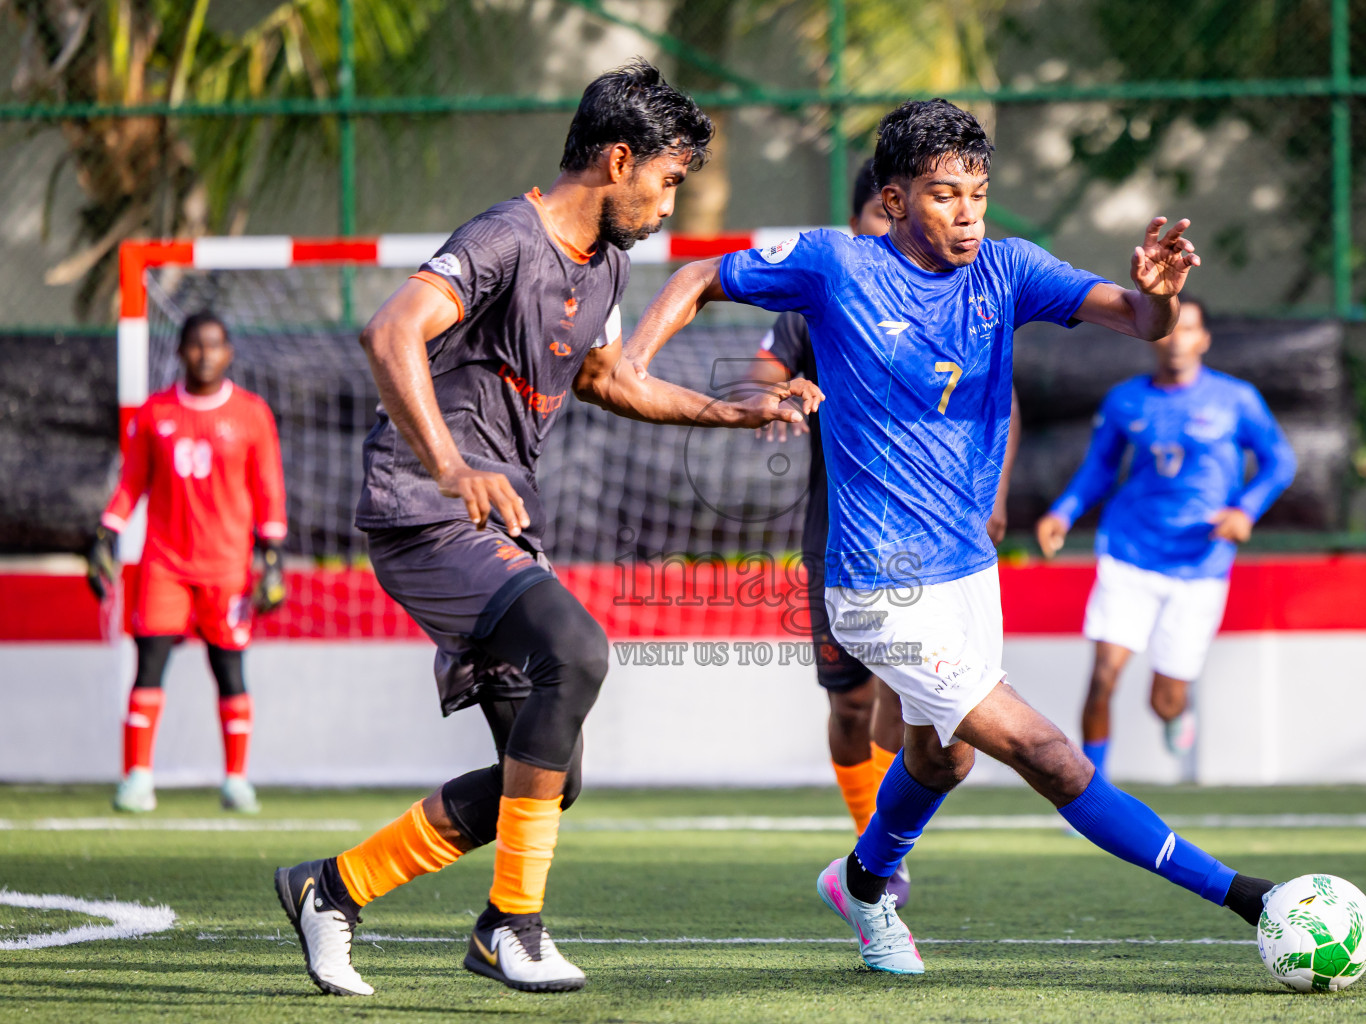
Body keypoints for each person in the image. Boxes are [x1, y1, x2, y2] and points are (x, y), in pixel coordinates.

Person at [624, 98, 1282, 977]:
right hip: (878, 585)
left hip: (969, 574)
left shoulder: (1008, 270)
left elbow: (1135, 317)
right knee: (1047, 753)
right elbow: (699, 277)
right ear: (894, 201)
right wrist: (630, 365)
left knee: (941, 760)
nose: (967, 211)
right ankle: (1254, 900)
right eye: (943, 194)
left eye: (977, 191)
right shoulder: (836, 265)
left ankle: (861, 884)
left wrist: (1160, 301)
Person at [271, 60, 818, 998]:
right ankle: (508, 927)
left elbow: (614, 382)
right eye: (666, 179)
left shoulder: (604, 264)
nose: (668, 202)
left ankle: (335, 888)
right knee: (579, 649)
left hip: (490, 525)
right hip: (422, 509)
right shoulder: (503, 239)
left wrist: (735, 413)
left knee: (548, 774)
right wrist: (450, 463)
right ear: (617, 158)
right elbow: (391, 330)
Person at [749, 158, 1020, 907]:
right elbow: (762, 369)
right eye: (871, 215)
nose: (881, 229)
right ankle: (872, 843)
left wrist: (991, 493)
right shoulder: (825, 290)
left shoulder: (961, 290)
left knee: (914, 708)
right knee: (847, 700)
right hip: (840, 531)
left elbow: (1001, 395)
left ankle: (879, 859)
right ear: (873, 212)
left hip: (937, 538)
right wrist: (776, 397)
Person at [1037, 298, 1295, 774]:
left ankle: (1178, 710)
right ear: (1155, 336)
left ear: (1203, 340)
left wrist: (1245, 509)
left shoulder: (1235, 399)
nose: (1177, 339)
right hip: (1129, 552)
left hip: (1201, 563)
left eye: (1189, 329)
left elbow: (1281, 461)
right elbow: (1101, 467)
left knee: (1165, 701)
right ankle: (1090, 794)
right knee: (1103, 678)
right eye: (1171, 329)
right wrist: (1064, 511)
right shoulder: (1125, 400)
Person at [87, 311, 287, 815]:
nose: (205, 354)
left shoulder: (251, 413)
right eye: (196, 345)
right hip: (164, 566)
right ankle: (138, 779)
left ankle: (236, 781)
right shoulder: (154, 413)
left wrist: (273, 556)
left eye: (214, 345)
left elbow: (269, 490)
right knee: (149, 666)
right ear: (179, 352)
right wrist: (106, 534)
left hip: (228, 568)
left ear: (229, 353)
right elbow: (132, 482)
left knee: (230, 671)